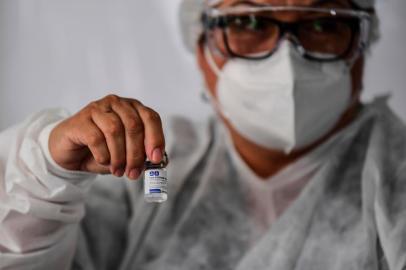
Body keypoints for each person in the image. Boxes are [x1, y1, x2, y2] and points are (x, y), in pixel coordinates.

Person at [1, 0, 406, 269]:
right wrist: (44, 174)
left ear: (362, 45)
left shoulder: (396, 182)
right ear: (200, 46)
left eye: (322, 23)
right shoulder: (141, 171)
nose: (286, 57)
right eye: (247, 21)